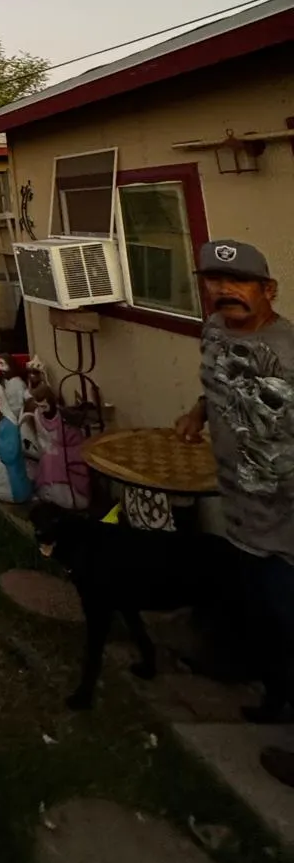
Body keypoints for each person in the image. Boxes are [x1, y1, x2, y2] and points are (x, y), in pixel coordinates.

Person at [175, 239, 294, 788]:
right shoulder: (216, 331)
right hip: (242, 515)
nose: (225, 291)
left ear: (268, 290)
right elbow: (219, 382)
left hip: (287, 528)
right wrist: (199, 412)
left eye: (240, 281)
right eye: (214, 280)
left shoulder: (288, 352)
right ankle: (275, 700)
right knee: (267, 625)